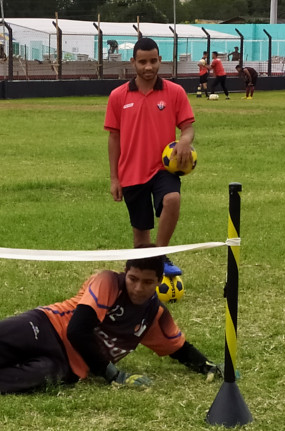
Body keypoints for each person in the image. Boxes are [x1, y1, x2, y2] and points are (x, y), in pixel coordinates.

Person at [0, 253, 223, 394]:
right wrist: (113, 374)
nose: (139, 287)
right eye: (133, 278)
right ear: (125, 273)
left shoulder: (154, 315)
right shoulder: (106, 281)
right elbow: (78, 330)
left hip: (68, 367)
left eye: (147, 281)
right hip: (47, 326)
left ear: (159, 282)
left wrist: (206, 366)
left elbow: (178, 348)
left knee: (26, 380)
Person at [104, 38, 195, 277]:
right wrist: (114, 178)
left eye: (153, 61)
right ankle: (141, 282)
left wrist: (185, 141)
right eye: (142, 62)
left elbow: (187, 127)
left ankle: (160, 255)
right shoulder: (118, 96)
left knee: (172, 199)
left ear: (160, 61)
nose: (148, 67)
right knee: (140, 237)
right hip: (131, 173)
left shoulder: (174, 92)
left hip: (164, 169)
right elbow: (114, 139)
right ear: (133, 62)